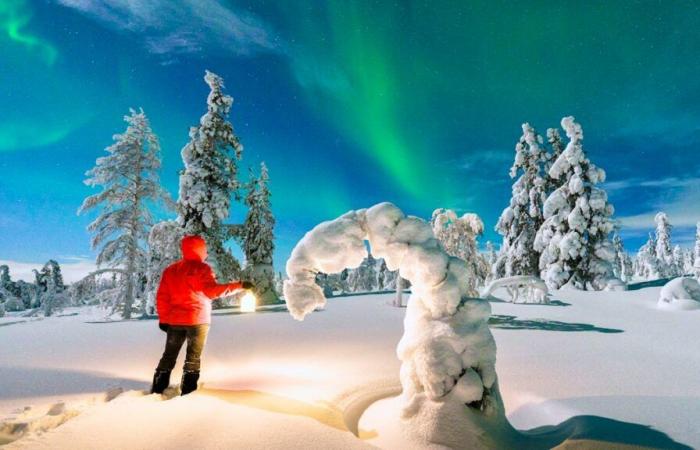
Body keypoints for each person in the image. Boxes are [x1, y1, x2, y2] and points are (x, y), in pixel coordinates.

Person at [151, 235, 253, 395]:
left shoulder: (170, 270)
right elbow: (212, 292)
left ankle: (158, 388)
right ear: (200, 249)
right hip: (197, 321)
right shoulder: (202, 269)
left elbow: (162, 297)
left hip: (175, 321)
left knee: (168, 356)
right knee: (193, 358)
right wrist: (238, 286)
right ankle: (188, 392)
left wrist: (164, 319)